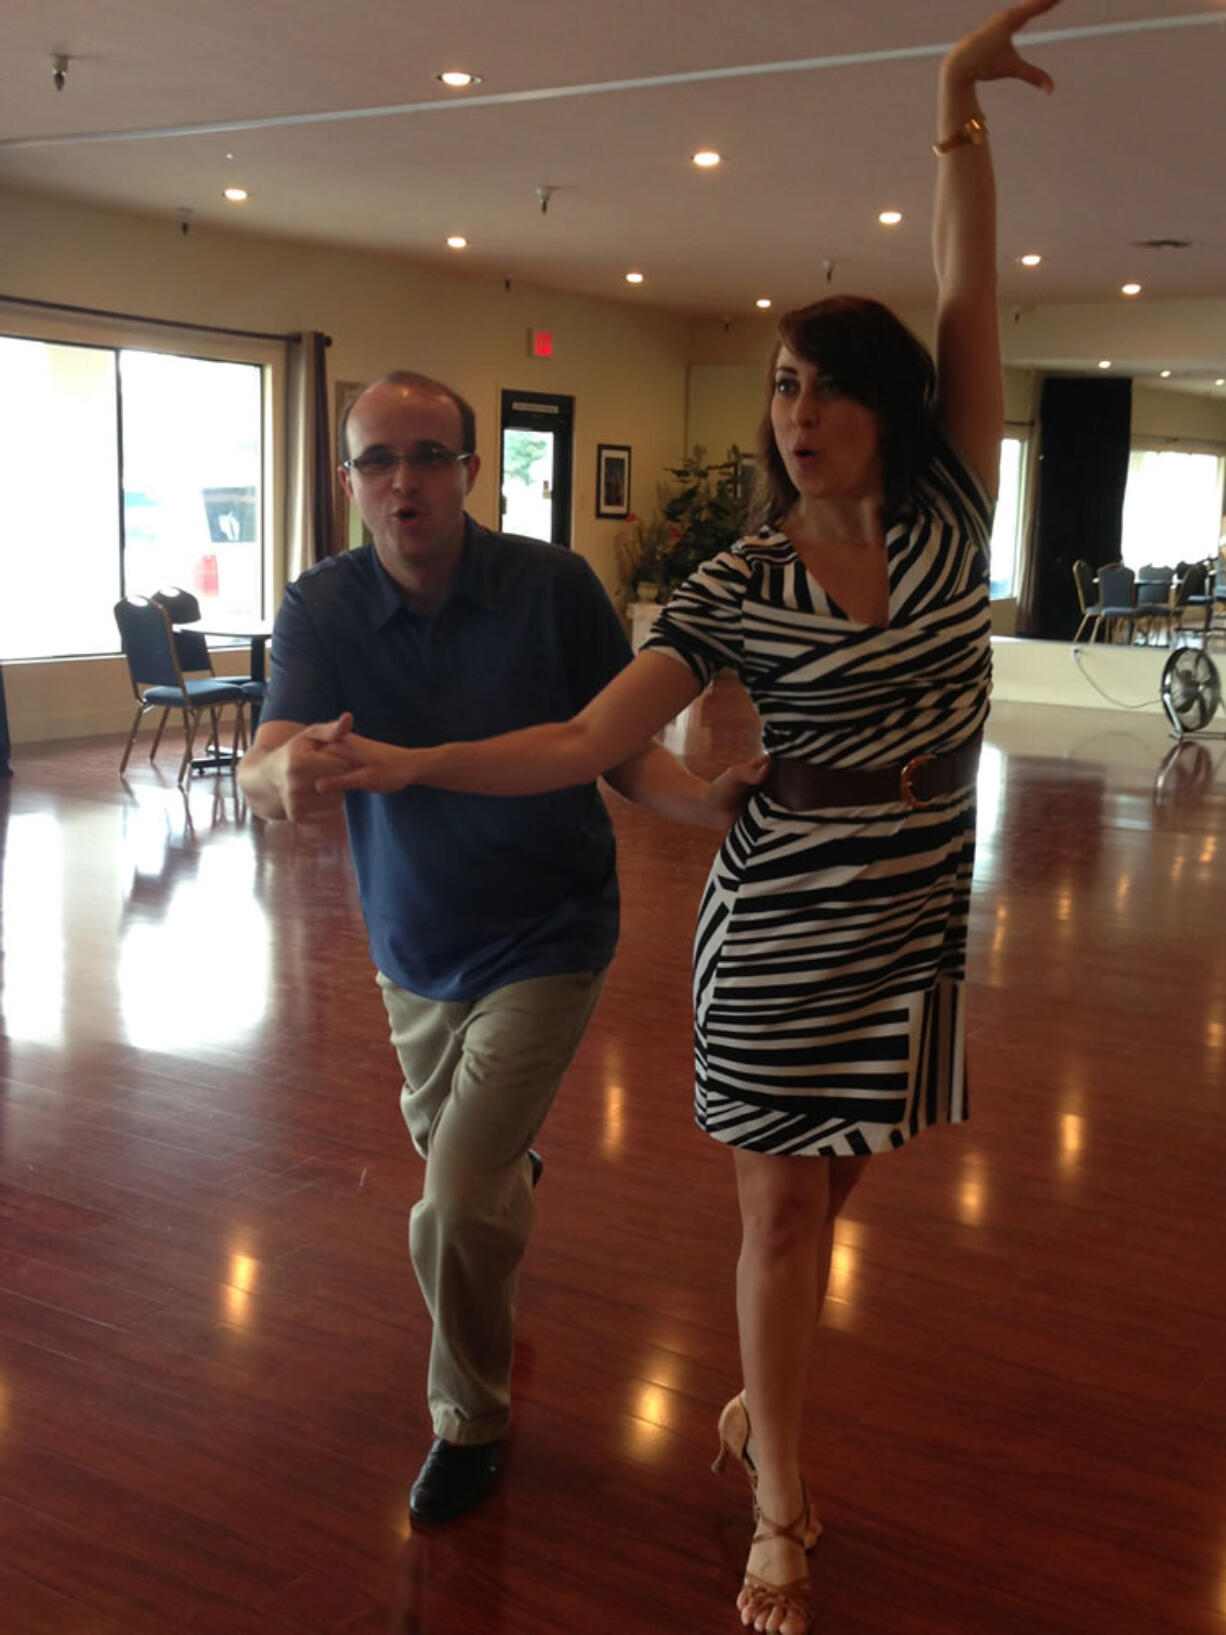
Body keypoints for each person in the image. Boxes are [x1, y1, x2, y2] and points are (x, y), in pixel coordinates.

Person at [302, 6, 1059, 1626]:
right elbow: (589, 736)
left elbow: (971, 290)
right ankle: (781, 1499)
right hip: (781, 906)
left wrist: (952, 112)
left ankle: (761, 1395)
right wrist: (418, 767)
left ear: (890, 409)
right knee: (780, 1213)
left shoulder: (952, 510)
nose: (794, 415)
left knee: (842, 1178)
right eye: (781, 388)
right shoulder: (736, 581)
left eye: (824, 390)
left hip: (920, 896)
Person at [238, 370, 763, 1524]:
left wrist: (700, 804)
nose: (403, 481)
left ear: (472, 472)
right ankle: (500, 1173)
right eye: (378, 460)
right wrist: (280, 774)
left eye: (428, 456)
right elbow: (269, 761)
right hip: (409, 943)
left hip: (548, 929)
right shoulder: (321, 606)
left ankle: (466, 1418)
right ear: (347, 482)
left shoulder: (552, 588)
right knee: (471, 1181)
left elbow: (614, 748)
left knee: (452, 1201)